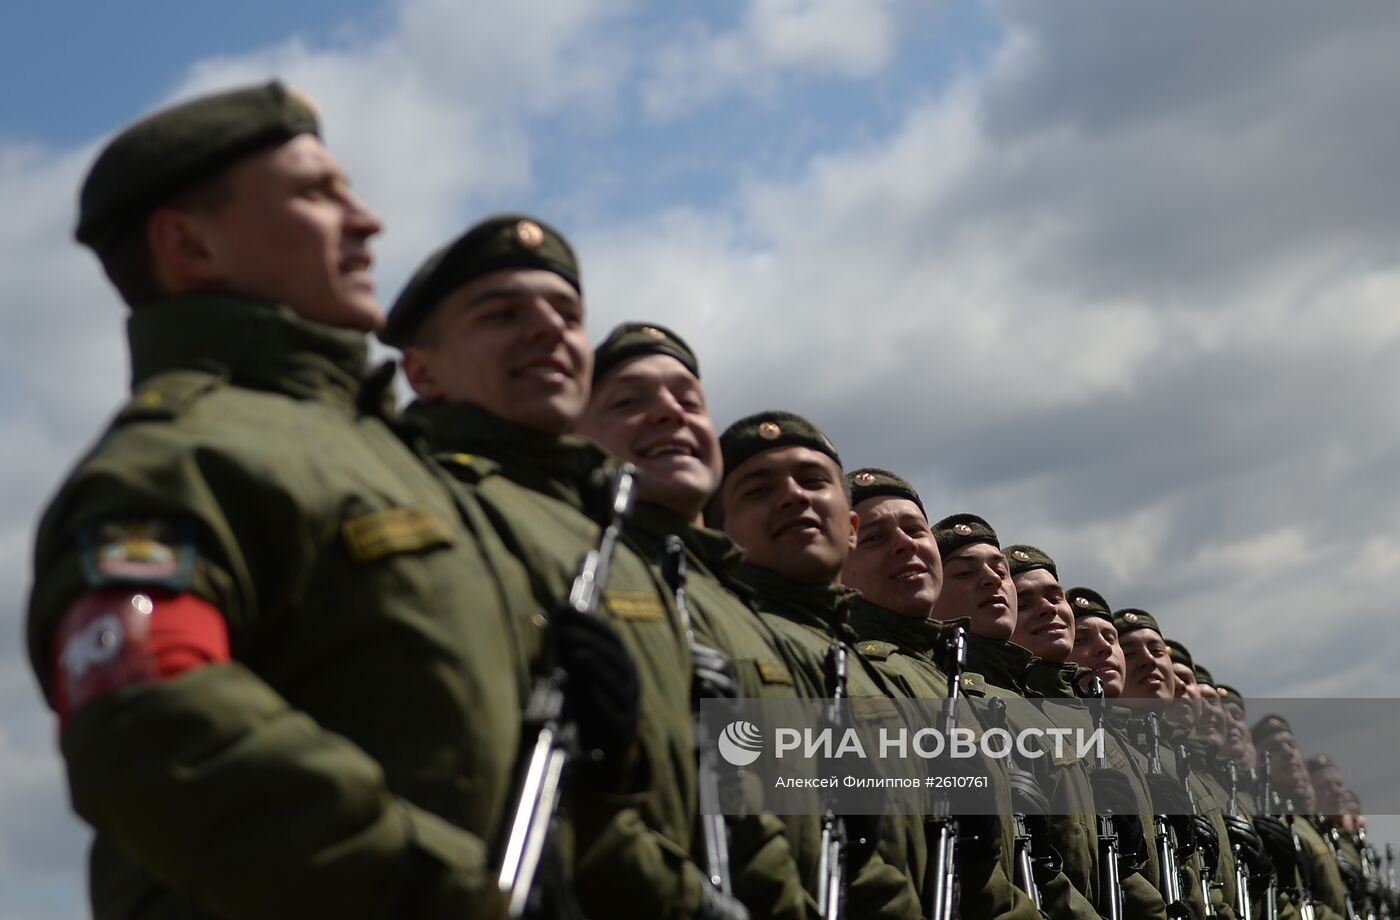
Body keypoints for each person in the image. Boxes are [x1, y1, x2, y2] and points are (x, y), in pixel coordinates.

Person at [28, 81, 553, 918]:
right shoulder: (183, 457)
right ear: (189, 246)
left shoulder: (402, 468)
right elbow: (147, 720)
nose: (368, 220)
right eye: (317, 193)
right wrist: (442, 892)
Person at [383, 215, 747, 920]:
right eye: (502, 313)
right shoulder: (426, 500)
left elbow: (751, 821)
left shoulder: (625, 558)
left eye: (567, 315)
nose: (547, 330)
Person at [573, 320, 816, 918]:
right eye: (629, 402)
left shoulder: (745, 613)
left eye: (689, 401)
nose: (669, 415)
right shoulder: (579, 566)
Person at [711, 411, 928, 917]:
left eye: (812, 480)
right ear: (722, 529)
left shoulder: (866, 667)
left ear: (849, 528)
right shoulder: (725, 636)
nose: (793, 496)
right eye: (758, 490)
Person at [839, 468, 1044, 920]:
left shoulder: (944, 678)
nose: (905, 545)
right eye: (873, 538)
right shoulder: (849, 669)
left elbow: (991, 880)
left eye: (915, 530)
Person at [928, 518, 1103, 920]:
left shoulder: (1025, 702)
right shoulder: (952, 694)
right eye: (965, 573)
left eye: (998, 570)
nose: (991, 580)